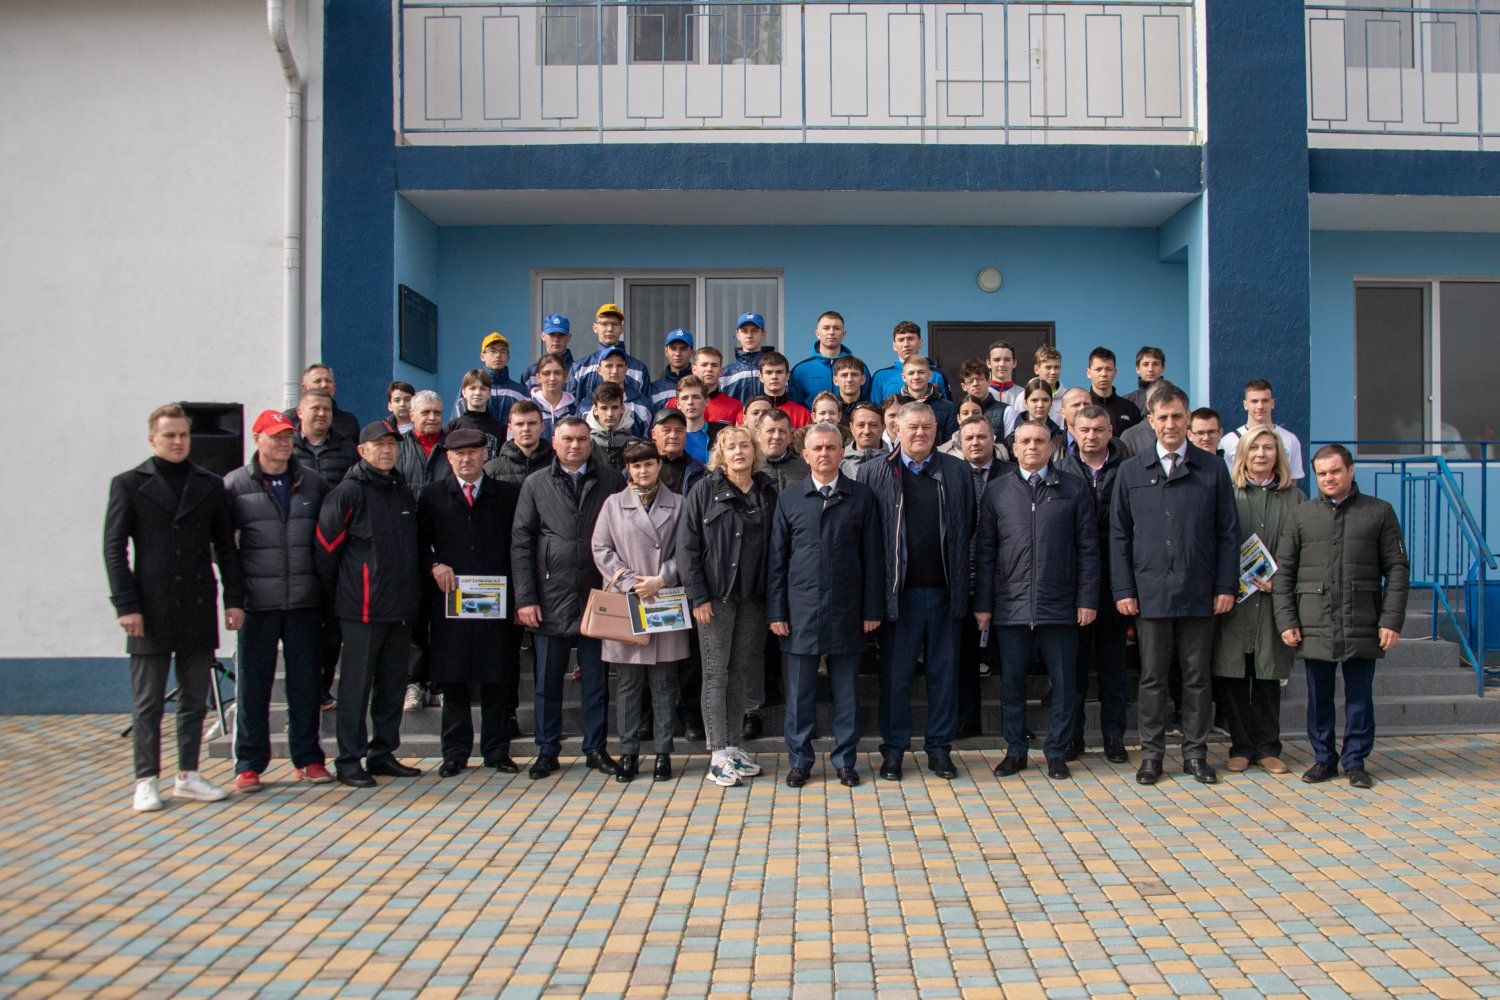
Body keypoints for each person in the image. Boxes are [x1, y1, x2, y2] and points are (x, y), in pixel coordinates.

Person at [105, 403, 245, 812]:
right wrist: (126, 604)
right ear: (153, 439)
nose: (178, 441)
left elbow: (225, 547)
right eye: (170, 435)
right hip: (149, 606)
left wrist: (233, 599)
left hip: (197, 603)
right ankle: (146, 779)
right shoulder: (129, 484)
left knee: (194, 698)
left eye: (184, 435)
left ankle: (188, 775)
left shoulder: (209, 484)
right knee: (148, 701)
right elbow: (114, 549)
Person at [1111, 385, 1240, 786]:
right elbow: (1119, 535)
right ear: (1150, 420)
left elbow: (1228, 533)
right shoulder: (1131, 470)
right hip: (1149, 593)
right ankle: (1151, 756)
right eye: (1163, 417)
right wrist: (1123, 590)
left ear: (1188, 420)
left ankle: (1196, 754)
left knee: (1197, 678)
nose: (1170, 424)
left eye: (1177, 416)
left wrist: (1226, 586)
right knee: (1152, 678)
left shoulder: (1212, 469)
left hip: (1199, 591)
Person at [1274, 444, 1409, 789]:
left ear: (1350, 471)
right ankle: (1323, 759)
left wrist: (1391, 620)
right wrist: (1286, 620)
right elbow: (1284, 572)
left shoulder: (1379, 512)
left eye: (1335, 471)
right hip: (1314, 620)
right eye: (1322, 473)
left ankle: (1355, 762)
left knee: (1359, 696)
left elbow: (1397, 569)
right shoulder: (1301, 515)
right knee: (1318, 695)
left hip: (1362, 618)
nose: (1328, 478)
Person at [975, 419, 1099, 780]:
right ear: (1014, 448)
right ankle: (1015, 750)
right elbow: (985, 552)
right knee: (1012, 684)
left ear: (1051, 446)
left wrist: (1087, 599)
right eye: (1025, 441)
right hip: (1011, 605)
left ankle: (1057, 751)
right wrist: (983, 604)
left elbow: (1088, 549)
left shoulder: (1073, 488)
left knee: (1064, 684)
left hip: (1060, 605)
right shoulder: (997, 490)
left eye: (1040, 441)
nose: (1032, 446)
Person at [858, 401, 975, 781]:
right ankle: (894, 751)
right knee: (896, 678)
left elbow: (968, 526)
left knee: (945, 676)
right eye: (913, 427)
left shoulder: (958, 471)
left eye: (927, 426)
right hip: (898, 596)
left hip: (945, 592)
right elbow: (866, 537)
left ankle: (939, 750)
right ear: (897, 430)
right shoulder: (874, 472)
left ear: (937, 431)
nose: (920, 433)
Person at [768, 423, 886, 787]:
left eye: (831, 447)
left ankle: (845, 761)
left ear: (841, 452)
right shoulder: (789, 498)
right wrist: (777, 611)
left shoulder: (861, 496)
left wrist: (872, 609)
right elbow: (777, 561)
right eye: (817, 448)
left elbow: (873, 558)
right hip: (800, 610)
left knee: (846, 693)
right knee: (799, 694)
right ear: (805, 455)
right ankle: (800, 761)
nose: (824, 454)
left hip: (848, 609)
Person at [513, 417, 626, 779]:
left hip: (598, 594)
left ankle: (596, 748)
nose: (575, 445)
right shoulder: (536, 483)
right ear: (554, 442)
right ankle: (547, 750)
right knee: (547, 682)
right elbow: (522, 542)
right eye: (567, 439)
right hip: (550, 596)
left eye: (581, 439)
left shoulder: (611, 480)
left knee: (596, 680)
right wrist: (525, 598)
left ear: (590, 444)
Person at [224, 409, 330, 792]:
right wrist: (234, 598)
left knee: (306, 684)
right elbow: (225, 549)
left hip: (304, 601)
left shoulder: (312, 482)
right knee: (254, 687)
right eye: (275, 437)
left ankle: (308, 758)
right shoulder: (235, 486)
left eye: (287, 436)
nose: (283, 443)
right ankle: (249, 764)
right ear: (257, 439)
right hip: (258, 603)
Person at [314, 421, 424, 788]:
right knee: (355, 689)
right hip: (361, 609)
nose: (387, 450)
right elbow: (326, 550)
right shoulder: (348, 492)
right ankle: (349, 759)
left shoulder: (400, 490)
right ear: (362, 451)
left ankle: (383, 753)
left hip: (399, 607)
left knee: (392, 686)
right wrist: (338, 598)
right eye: (379, 445)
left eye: (392, 444)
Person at [415, 428, 523, 777]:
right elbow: (418, 544)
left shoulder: (506, 495)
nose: (467, 458)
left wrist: (520, 597)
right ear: (449, 458)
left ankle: (497, 751)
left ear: (484, 455)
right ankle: (455, 752)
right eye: (459, 454)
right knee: (454, 680)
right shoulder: (433, 495)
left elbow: (520, 547)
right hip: (451, 602)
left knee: (497, 680)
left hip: (497, 601)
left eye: (473, 452)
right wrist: (434, 564)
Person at [677, 426, 779, 788]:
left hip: (753, 597)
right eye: (731, 447)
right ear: (721, 454)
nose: (739, 452)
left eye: (745, 446)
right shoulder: (704, 490)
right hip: (716, 598)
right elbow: (687, 546)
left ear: (755, 451)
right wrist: (698, 596)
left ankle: (734, 746)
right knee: (715, 674)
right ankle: (717, 753)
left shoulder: (767, 490)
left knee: (740, 673)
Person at [1209, 426, 1307, 776]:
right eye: (1254, 448)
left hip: (1273, 603)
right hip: (1236, 601)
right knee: (1234, 676)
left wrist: (1282, 582)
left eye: (1268, 448)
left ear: (1279, 454)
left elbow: (1305, 549)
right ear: (1243, 454)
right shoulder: (1229, 493)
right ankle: (1240, 747)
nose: (1261, 454)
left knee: (1268, 676)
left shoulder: (1295, 499)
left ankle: (1268, 747)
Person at [591, 440, 687, 783]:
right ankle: (628, 751)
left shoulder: (679, 503)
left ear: (659, 465)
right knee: (628, 685)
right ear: (628, 469)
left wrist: (662, 578)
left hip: (663, 600)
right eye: (635, 465)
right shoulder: (613, 504)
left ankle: (663, 752)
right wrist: (630, 581)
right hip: (628, 600)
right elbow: (600, 548)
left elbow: (686, 549)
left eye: (648, 463)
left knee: (664, 684)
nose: (642, 470)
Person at [1053, 405, 1130, 763]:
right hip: (1072, 582)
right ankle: (1074, 737)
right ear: (1073, 430)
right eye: (1084, 430)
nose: (1091, 436)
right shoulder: (1061, 471)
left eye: (1099, 429)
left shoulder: (1127, 470)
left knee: (1114, 667)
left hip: (1115, 580)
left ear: (1110, 430)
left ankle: (1114, 736)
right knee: (1074, 667)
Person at [953, 416, 1010, 737]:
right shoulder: (953, 474)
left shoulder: (1012, 473)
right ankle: (967, 720)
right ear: (960, 443)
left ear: (994, 440)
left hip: (1007, 578)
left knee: (1009, 658)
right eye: (969, 437)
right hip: (965, 576)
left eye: (982, 437)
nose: (975, 442)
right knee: (965, 657)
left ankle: (1012, 724)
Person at [1220, 379, 1307, 480]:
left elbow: (1292, 480)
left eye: (1265, 401)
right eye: (1254, 401)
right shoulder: (1228, 441)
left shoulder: (1290, 440)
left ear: (1272, 403)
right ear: (1245, 405)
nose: (1260, 406)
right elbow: (1224, 481)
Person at [568, 303, 651, 401]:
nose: (610, 329)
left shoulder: (639, 369)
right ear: (595, 328)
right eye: (604, 324)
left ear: (622, 329)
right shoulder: (579, 368)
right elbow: (571, 405)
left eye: (615, 324)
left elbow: (646, 405)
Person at [790, 311, 867, 406]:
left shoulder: (859, 367)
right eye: (826, 328)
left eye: (836, 328)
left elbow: (867, 403)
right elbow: (795, 408)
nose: (831, 332)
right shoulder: (800, 370)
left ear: (843, 334)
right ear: (817, 334)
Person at [452, 332, 527, 425]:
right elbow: (457, 423)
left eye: (503, 351)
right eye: (493, 351)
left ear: (508, 357)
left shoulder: (520, 391)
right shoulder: (470, 388)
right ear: (482, 356)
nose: (498, 355)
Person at [868, 321, 951, 404]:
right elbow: (874, 409)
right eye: (901, 340)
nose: (906, 344)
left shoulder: (936, 375)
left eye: (911, 339)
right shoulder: (881, 376)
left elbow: (946, 408)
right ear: (894, 346)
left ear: (920, 343)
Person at [292, 389, 359, 490]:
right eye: (315, 408)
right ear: (300, 412)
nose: (322, 413)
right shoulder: (287, 448)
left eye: (327, 409)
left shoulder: (349, 450)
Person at [577, 347, 653, 430]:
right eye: (609, 366)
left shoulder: (642, 405)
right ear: (599, 370)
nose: (615, 371)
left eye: (619, 366)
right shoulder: (585, 407)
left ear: (626, 369)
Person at [282, 363, 360, 440]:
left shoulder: (348, 421)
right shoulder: (289, 419)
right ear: (305, 388)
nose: (324, 385)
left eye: (328, 381)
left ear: (334, 387)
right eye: (318, 381)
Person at [484, 400, 554, 485]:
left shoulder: (558, 465)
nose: (526, 429)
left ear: (542, 427)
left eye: (532, 423)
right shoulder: (491, 470)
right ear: (510, 428)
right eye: (519, 424)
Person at [892, 356, 958, 440]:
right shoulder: (894, 407)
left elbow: (952, 444)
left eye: (921, 372)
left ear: (929, 374)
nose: (916, 377)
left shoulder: (948, 409)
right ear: (904, 377)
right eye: (911, 373)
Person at [396, 390, 451, 490]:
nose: (432, 418)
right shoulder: (398, 445)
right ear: (412, 415)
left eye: (437, 413)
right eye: (425, 413)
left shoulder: (454, 446)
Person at [446, 369, 506, 458]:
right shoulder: (453, 427)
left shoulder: (499, 428)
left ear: (489, 392)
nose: (477, 393)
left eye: (483, 389)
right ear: (464, 392)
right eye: (472, 388)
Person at [1083, 348, 1142, 438]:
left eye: (1108, 369)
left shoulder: (1130, 409)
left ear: (1115, 373)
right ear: (1088, 373)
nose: (1104, 374)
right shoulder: (1082, 407)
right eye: (1098, 369)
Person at [678, 347, 744, 426]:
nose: (709, 369)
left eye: (714, 365)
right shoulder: (677, 404)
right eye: (704, 365)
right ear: (694, 369)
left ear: (721, 371)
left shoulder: (735, 407)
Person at [584, 383, 643, 470]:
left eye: (615, 407)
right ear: (595, 410)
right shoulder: (584, 444)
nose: (610, 414)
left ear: (622, 409)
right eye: (604, 408)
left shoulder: (637, 444)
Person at [649, 408, 707, 496]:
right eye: (667, 430)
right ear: (654, 434)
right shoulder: (638, 469)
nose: (673, 436)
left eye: (679, 430)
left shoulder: (701, 472)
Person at [720, 311, 775, 402]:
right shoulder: (726, 373)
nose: (749, 335)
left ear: (763, 334)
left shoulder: (777, 370)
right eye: (744, 331)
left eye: (755, 331)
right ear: (737, 335)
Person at [1118, 380, 1180, 457]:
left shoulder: (1185, 431)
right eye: (1157, 400)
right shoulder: (1130, 437)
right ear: (1147, 405)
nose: (1163, 405)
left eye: (1168, 400)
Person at [756, 408, 810, 492]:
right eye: (771, 431)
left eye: (782, 431)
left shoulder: (807, 466)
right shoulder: (749, 467)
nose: (776, 436)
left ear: (790, 437)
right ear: (758, 435)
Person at [755, 352, 812, 428]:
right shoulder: (750, 414)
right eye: (769, 372)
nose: (774, 377)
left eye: (779, 372)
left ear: (787, 376)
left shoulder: (803, 414)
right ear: (761, 377)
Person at [1002, 378, 1062, 450]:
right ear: (1025, 403)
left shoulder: (1060, 437)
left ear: (1051, 403)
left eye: (1045, 400)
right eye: (1034, 400)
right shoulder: (1011, 439)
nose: (1040, 405)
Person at [528, 352, 576, 437]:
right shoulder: (528, 408)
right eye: (546, 373)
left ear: (565, 376)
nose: (552, 378)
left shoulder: (575, 409)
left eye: (557, 373)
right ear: (538, 377)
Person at [672, 376, 718, 464]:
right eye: (685, 398)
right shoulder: (671, 437)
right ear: (678, 404)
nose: (690, 402)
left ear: (706, 401)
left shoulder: (721, 433)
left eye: (696, 397)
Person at [520, 314, 574, 389]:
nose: (556, 339)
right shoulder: (531, 374)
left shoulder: (579, 371)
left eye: (561, 335)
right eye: (552, 335)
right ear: (543, 336)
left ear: (569, 337)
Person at [648, 329, 696, 410]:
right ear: (666, 351)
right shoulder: (654, 389)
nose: (678, 354)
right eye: (673, 348)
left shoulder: (700, 385)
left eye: (683, 349)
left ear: (692, 352)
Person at [842, 402, 889, 478]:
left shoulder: (896, 465)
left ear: (883, 427)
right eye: (860, 425)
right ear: (851, 428)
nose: (866, 431)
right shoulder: (838, 466)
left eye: (873, 425)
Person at [986, 341, 1025, 410]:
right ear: (988, 363)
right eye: (997, 360)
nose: (1002, 364)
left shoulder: (1024, 394)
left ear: (1014, 363)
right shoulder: (980, 393)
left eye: (1007, 360)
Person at [1125, 346, 1166, 411]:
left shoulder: (1176, 397)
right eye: (1146, 364)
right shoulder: (1127, 401)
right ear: (1137, 369)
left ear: (1163, 368)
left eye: (1155, 364)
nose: (1150, 369)